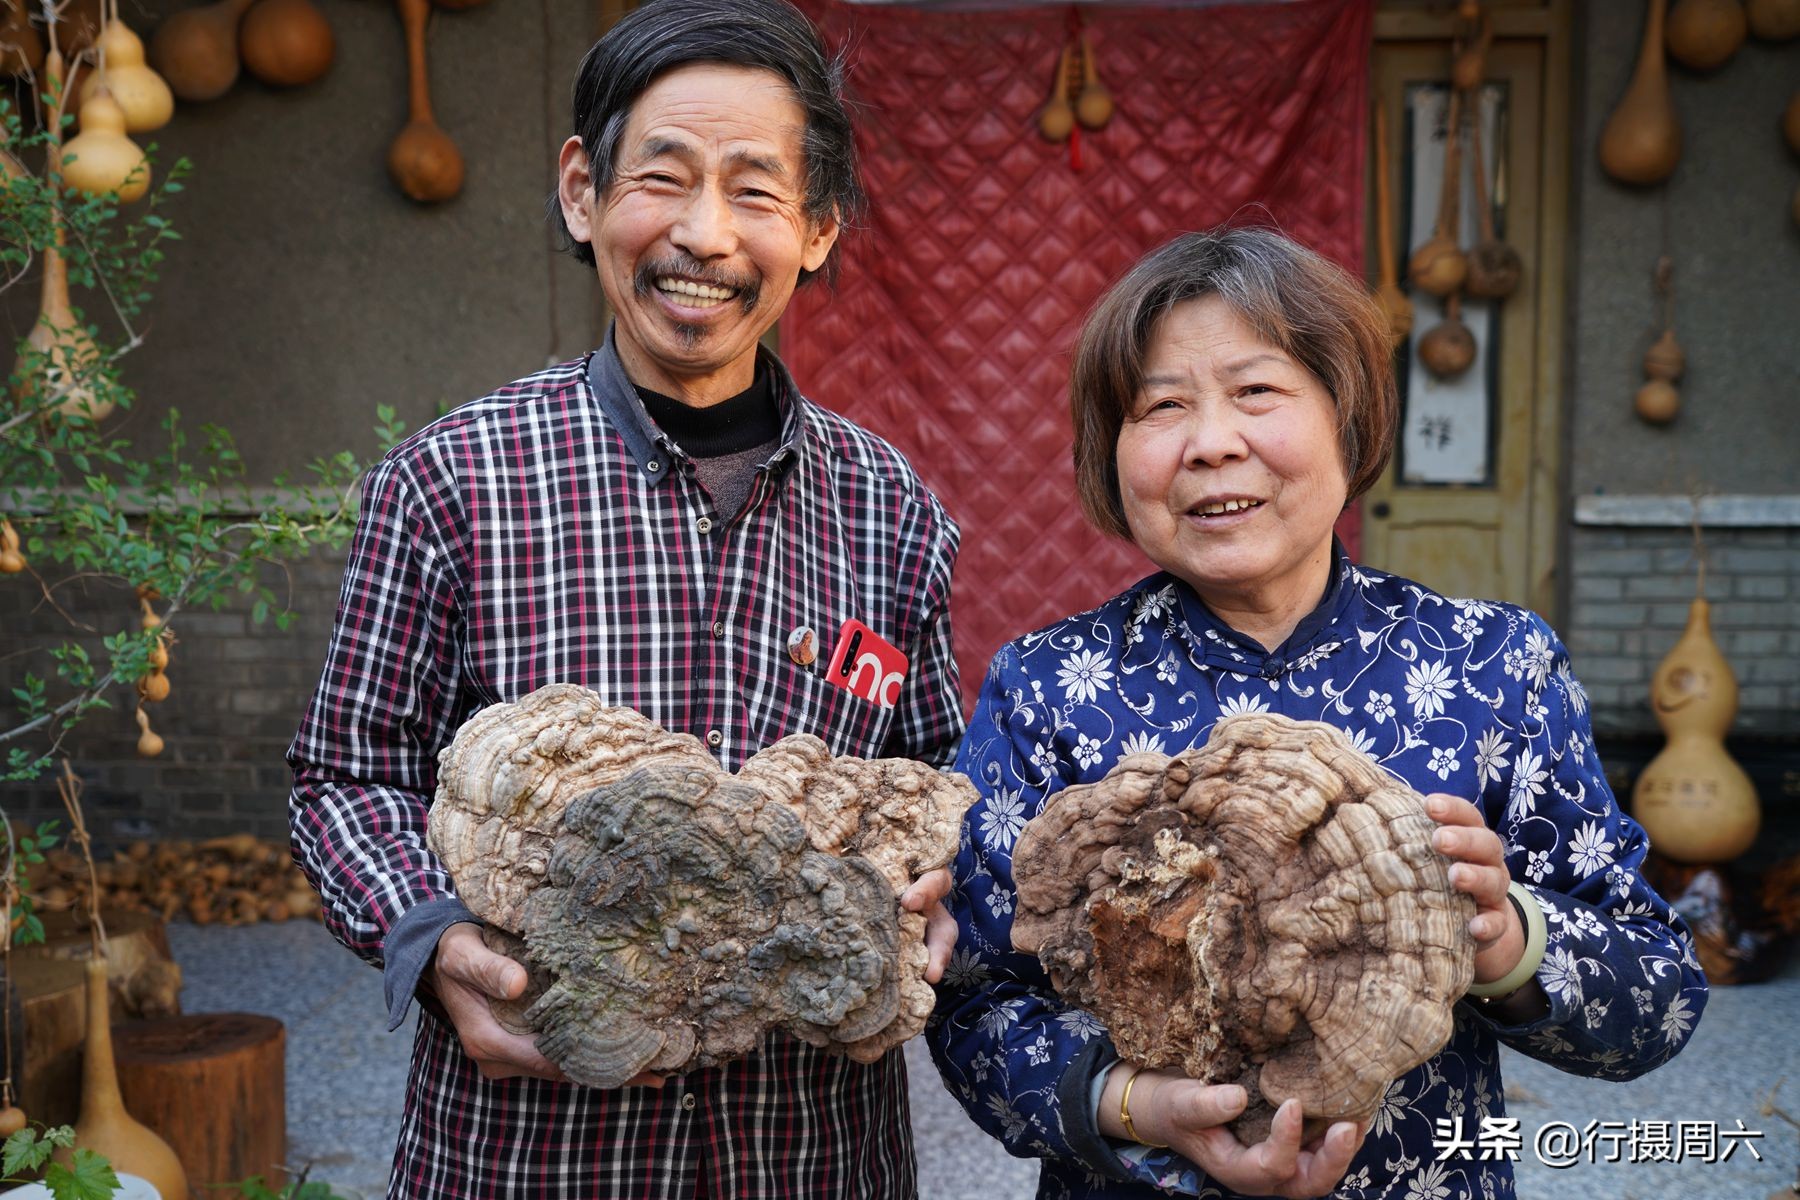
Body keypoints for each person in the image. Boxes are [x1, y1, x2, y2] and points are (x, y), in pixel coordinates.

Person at [287, 2, 963, 1195]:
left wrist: (945, 889)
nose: (705, 235)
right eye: (665, 177)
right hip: (531, 1149)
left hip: (810, 1152)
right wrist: (430, 937)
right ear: (582, 191)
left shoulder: (889, 509)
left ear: (816, 230)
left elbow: (935, 778)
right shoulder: (453, 483)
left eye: (757, 192)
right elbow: (345, 775)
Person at [927, 227, 1707, 1200]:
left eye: (1257, 392)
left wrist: (1509, 939)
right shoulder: (1050, 685)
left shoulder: (1492, 667)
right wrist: (1134, 1104)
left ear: (1349, 416)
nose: (1212, 442)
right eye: (1162, 406)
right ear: (1113, 452)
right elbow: (969, 1003)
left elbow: (1659, 1000)